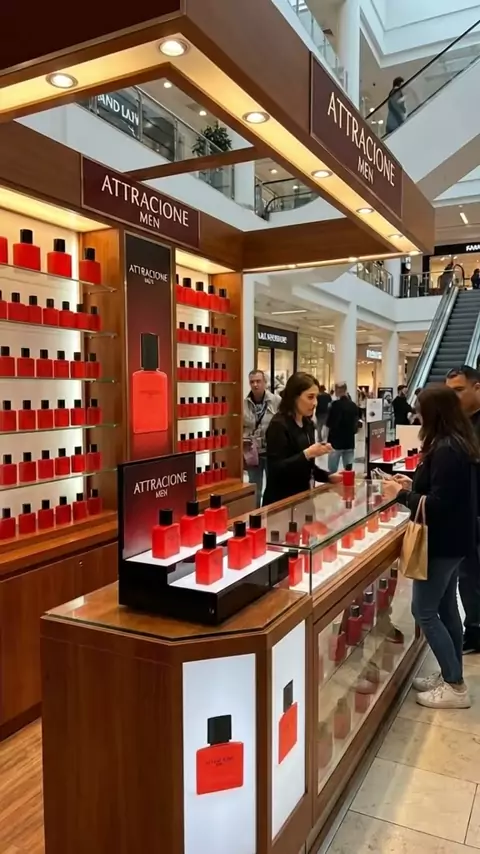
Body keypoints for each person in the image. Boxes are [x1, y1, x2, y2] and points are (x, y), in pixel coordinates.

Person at [384, 385, 479, 709]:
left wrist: (401, 495)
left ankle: (455, 685)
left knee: (423, 610)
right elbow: (445, 493)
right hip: (454, 541)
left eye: (421, 410)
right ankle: (451, 674)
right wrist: (413, 485)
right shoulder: (454, 443)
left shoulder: (447, 449)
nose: (417, 416)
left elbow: (438, 505)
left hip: (442, 542)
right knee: (447, 608)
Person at [263, 372, 340, 506]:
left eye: (316, 397)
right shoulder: (278, 425)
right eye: (310, 397)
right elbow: (276, 468)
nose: (315, 403)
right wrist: (307, 454)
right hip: (281, 502)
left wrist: (328, 476)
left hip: (303, 498)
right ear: (294, 397)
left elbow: (307, 467)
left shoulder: (307, 424)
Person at [446, 366, 480, 652]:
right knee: (467, 576)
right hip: (465, 513)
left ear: (477, 387)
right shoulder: (460, 425)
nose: (452, 398)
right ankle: (475, 628)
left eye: (458, 390)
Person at [243, 370, 281, 508]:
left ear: (265, 382)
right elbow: (241, 426)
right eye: (252, 382)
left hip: (272, 452)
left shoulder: (276, 401)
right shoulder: (244, 404)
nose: (255, 385)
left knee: (273, 486)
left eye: (258, 381)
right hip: (253, 452)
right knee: (255, 488)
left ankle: (272, 513)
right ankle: (255, 515)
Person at [325, 382, 360, 474]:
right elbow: (356, 423)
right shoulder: (353, 405)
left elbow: (329, 423)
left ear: (337, 390)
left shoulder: (334, 405)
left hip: (335, 442)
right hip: (349, 441)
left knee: (332, 471)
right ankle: (347, 482)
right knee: (348, 470)